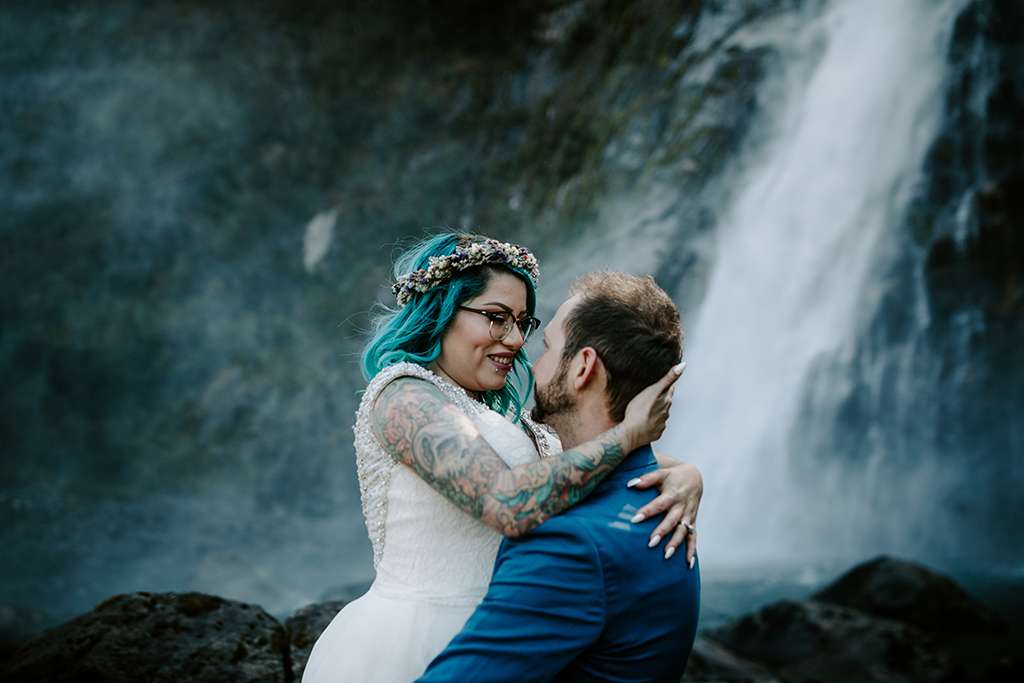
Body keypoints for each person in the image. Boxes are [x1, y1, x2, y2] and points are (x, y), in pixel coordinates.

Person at [302, 234, 702, 683]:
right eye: (496, 318)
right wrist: (629, 433)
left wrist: (687, 475)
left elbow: (581, 464)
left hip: (507, 629)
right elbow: (506, 501)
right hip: (410, 640)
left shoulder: (505, 419)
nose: (515, 340)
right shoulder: (404, 397)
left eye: (523, 323)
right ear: (441, 310)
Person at [418, 272, 699, 682]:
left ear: (583, 367)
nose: (531, 363)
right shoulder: (661, 505)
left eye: (547, 348)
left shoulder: (569, 543)